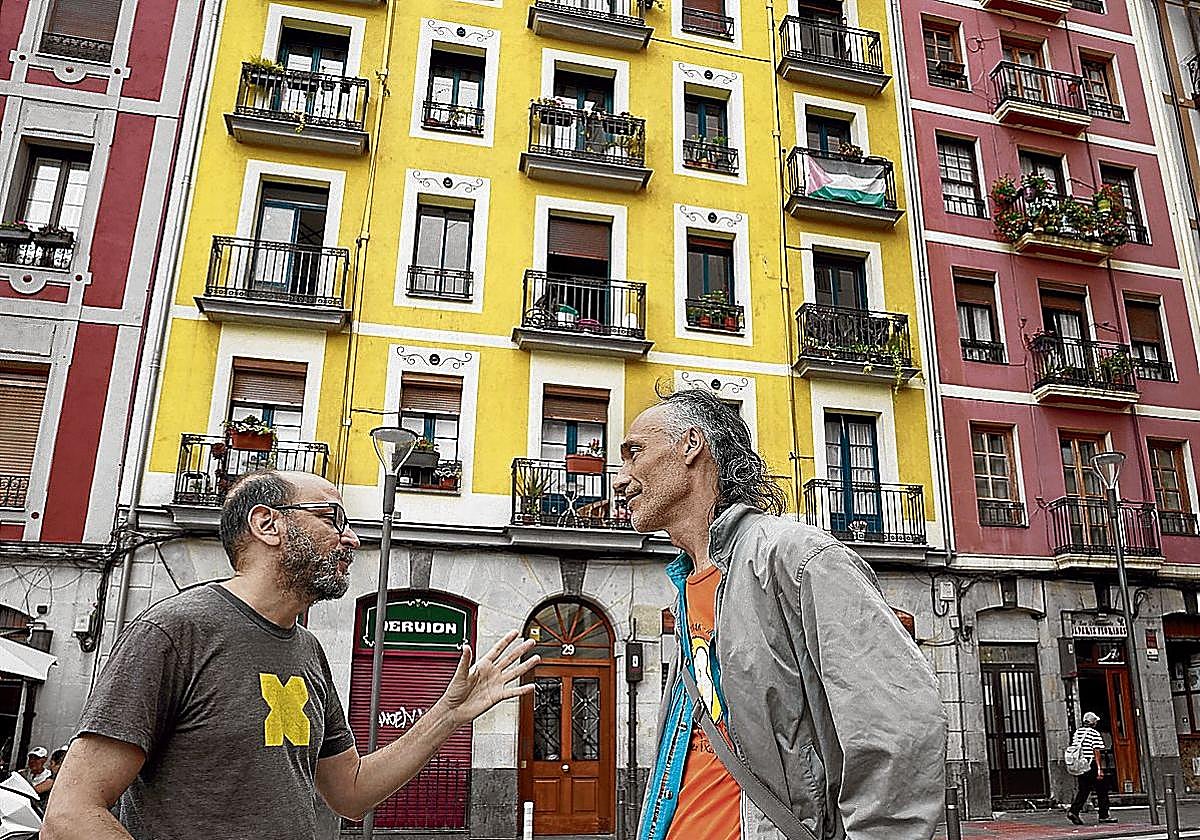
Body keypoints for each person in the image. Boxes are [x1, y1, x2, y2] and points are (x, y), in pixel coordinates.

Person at [42, 470, 539, 840]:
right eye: (333, 518)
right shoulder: (175, 631)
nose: (352, 538)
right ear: (268, 524)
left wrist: (448, 714)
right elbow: (70, 814)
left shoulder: (308, 650)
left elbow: (351, 792)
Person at [614, 387, 947, 840]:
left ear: (691, 446)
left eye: (634, 452)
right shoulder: (686, 585)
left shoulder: (798, 558)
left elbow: (898, 729)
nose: (621, 476)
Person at [1068, 711, 1116, 825]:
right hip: (1091, 764)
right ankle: (1104, 815)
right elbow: (1097, 751)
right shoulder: (1094, 733)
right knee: (1102, 789)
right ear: (1093, 722)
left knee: (1084, 789)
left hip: (1081, 764)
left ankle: (1074, 810)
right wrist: (1100, 769)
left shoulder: (1077, 732)